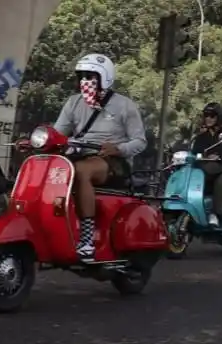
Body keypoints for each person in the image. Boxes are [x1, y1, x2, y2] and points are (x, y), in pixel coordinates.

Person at [49, 53, 147, 261]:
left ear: (105, 78)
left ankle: (86, 239)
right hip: (79, 155)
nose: (85, 80)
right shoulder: (73, 103)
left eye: (91, 76)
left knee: (82, 172)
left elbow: (140, 141)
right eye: (82, 76)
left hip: (113, 161)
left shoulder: (124, 105)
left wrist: (118, 148)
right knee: (47, 169)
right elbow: (58, 133)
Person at [191, 103, 222, 226]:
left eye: (212, 116)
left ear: (220, 118)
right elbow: (195, 153)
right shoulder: (202, 136)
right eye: (206, 115)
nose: (208, 118)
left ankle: (216, 214)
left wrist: (219, 158)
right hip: (206, 171)